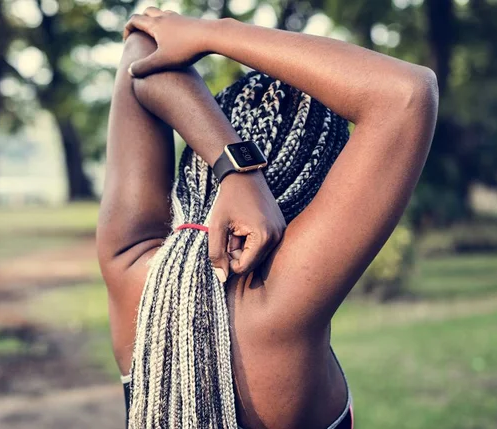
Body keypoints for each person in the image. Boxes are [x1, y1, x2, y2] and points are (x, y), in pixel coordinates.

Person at [96, 7, 438, 429]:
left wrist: (233, 168)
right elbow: (406, 94)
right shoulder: (284, 310)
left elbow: (140, 50)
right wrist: (218, 34)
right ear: (321, 193)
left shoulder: (131, 268)